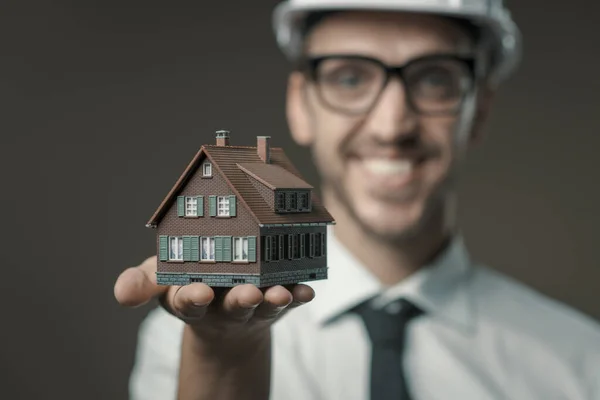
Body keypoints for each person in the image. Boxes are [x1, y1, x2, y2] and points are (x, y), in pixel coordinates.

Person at [114, 1, 600, 399]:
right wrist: (223, 358)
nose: (392, 126)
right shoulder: (183, 349)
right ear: (300, 105)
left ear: (479, 111)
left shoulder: (582, 363)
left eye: (434, 79)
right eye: (349, 78)